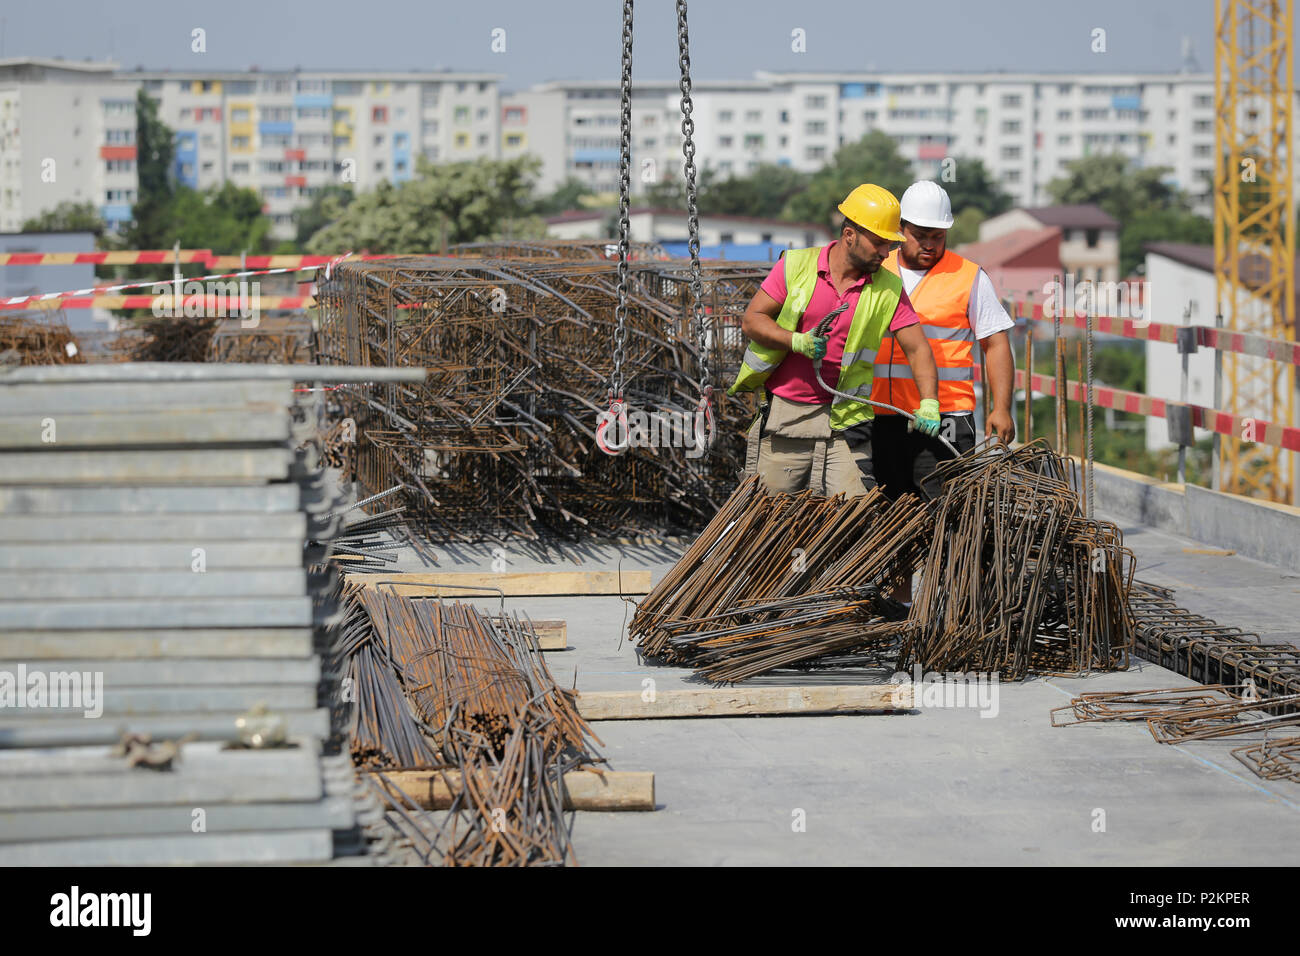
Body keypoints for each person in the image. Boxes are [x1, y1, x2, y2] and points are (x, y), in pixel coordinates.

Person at [729, 183, 942, 496]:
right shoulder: (795, 266)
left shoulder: (888, 288)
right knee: (772, 509)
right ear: (849, 234)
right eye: (879, 242)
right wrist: (794, 341)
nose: (886, 253)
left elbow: (918, 348)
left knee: (854, 510)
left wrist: (929, 401)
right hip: (789, 414)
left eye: (889, 244)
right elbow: (752, 320)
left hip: (848, 420)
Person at [868, 180, 1017, 503]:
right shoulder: (876, 270)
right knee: (883, 507)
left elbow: (996, 344)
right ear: (900, 229)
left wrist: (1001, 408)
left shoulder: (968, 276)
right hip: (883, 412)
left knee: (942, 507)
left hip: (947, 415)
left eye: (938, 237)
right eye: (920, 236)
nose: (929, 245)